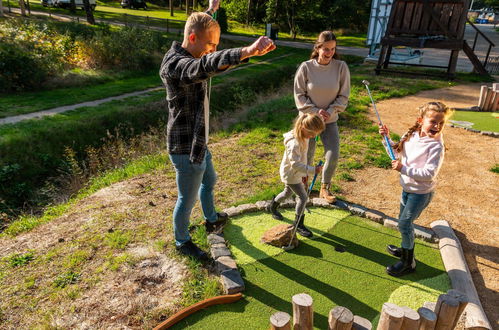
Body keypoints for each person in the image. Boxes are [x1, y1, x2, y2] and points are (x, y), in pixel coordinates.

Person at [159, 0, 276, 261]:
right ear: (192, 38)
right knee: (185, 201)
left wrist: (211, 10)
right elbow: (204, 66)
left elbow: (198, 27)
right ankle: (182, 241)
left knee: (209, 181)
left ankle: (211, 218)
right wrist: (246, 51)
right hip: (186, 147)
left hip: (199, 141)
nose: (214, 49)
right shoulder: (177, 66)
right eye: (211, 45)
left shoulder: (190, 43)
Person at [379, 101, 452, 277]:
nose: (437, 126)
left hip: (420, 193)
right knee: (403, 223)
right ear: (421, 120)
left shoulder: (436, 146)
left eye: (441, 123)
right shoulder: (411, 135)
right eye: (433, 121)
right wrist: (386, 138)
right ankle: (406, 249)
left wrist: (403, 169)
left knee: (404, 224)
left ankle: (408, 262)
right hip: (407, 188)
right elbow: (396, 154)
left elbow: (429, 174)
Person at [294, 31, 350, 204]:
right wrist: (315, 111)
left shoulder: (341, 67)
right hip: (308, 121)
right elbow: (299, 95)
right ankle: (303, 185)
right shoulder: (306, 67)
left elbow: (344, 96)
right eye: (325, 49)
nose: (329, 53)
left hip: (330, 119)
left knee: (333, 154)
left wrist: (330, 111)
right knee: (306, 156)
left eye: (332, 49)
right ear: (317, 48)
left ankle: (325, 187)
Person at [267, 113, 325, 238]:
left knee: (287, 193)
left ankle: (272, 206)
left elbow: (302, 158)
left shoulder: (304, 136)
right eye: (312, 134)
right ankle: (298, 224)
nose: (314, 137)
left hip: (297, 172)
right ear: (304, 128)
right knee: (303, 198)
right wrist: (312, 170)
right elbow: (295, 164)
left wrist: (305, 173)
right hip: (291, 174)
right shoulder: (293, 143)